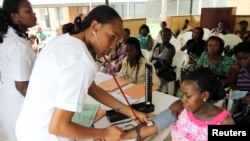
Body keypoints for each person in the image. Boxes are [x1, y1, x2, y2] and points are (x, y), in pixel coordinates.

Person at [15, 5, 148, 141]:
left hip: (27, 128)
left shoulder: (61, 40)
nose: (113, 46)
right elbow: (58, 127)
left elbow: (91, 87)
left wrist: (130, 112)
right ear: (95, 26)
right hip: (44, 136)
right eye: (111, 37)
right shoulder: (82, 60)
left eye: (117, 41)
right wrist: (104, 133)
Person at [122, 67, 235, 141]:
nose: (183, 99)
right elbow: (153, 126)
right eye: (182, 94)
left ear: (204, 95)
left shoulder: (224, 122)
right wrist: (121, 136)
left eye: (188, 96)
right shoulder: (180, 107)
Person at [0, 0, 37, 140]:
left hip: (8, 103)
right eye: (28, 11)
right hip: (18, 107)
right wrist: (45, 104)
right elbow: (22, 86)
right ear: (15, 16)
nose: (33, 14)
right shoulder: (17, 45)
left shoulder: (10, 36)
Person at [231, 42, 250, 124]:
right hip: (241, 100)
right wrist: (240, 96)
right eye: (239, 59)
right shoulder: (239, 70)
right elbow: (232, 85)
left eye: (245, 58)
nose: (242, 62)